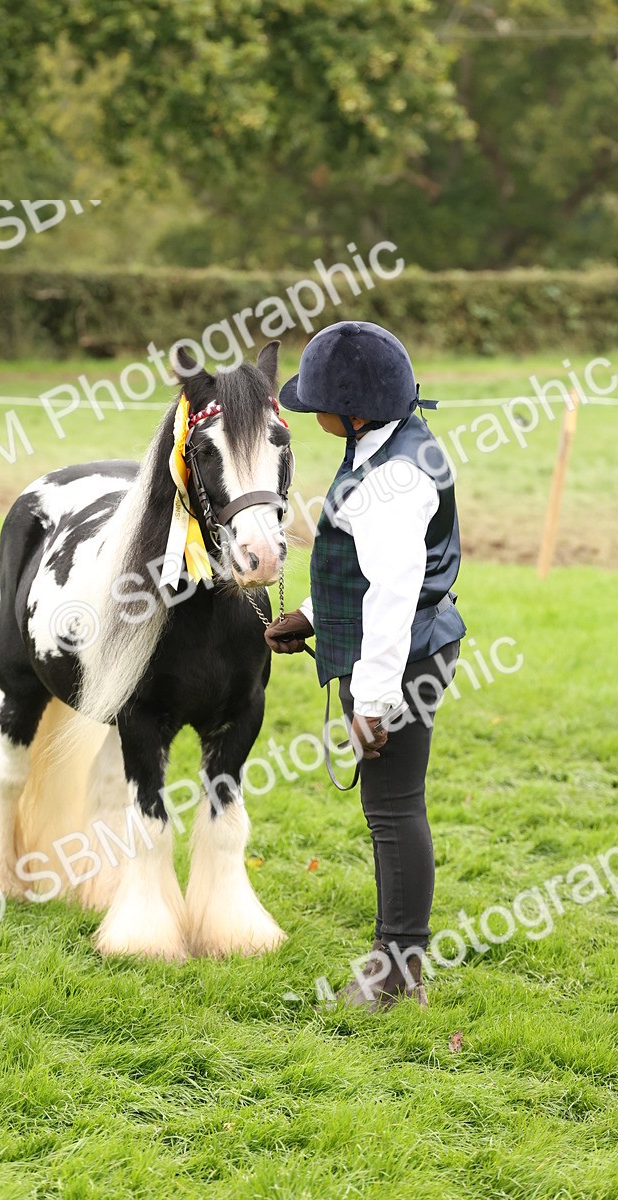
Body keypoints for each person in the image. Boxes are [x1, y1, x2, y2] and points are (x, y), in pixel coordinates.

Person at [265, 320, 466, 1011]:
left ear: (353, 410)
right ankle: (398, 958)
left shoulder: (394, 477)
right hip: (408, 641)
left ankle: (398, 970)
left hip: (404, 652)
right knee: (390, 805)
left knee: (393, 807)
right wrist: (314, 617)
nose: (306, 412)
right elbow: (359, 564)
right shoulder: (379, 443)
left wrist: (373, 701)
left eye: (315, 402)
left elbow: (393, 591)